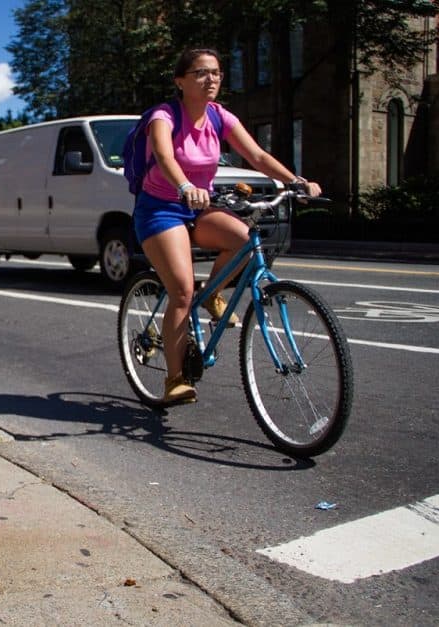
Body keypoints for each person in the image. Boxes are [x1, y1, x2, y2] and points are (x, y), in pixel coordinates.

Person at [133, 48, 321, 405]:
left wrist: (296, 181)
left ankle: (214, 294)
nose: (212, 79)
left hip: (199, 206)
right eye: (202, 73)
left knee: (244, 240)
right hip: (161, 210)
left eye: (216, 73)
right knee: (182, 293)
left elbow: (258, 156)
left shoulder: (220, 117)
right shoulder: (164, 115)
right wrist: (185, 186)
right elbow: (163, 155)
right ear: (181, 81)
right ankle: (175, 379)